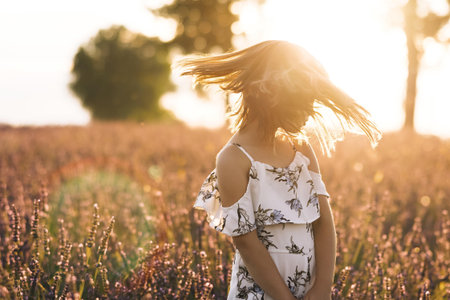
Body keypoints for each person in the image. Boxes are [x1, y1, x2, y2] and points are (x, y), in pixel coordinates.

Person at [175, 40, 382, 300]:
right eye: (302, 102)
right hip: (260, 294)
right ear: (269, 93)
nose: (309, 112)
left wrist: (322, 288)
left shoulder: (301, 150)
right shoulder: (233, 159)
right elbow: (246, 243)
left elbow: (324, 222)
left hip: (310, 292)